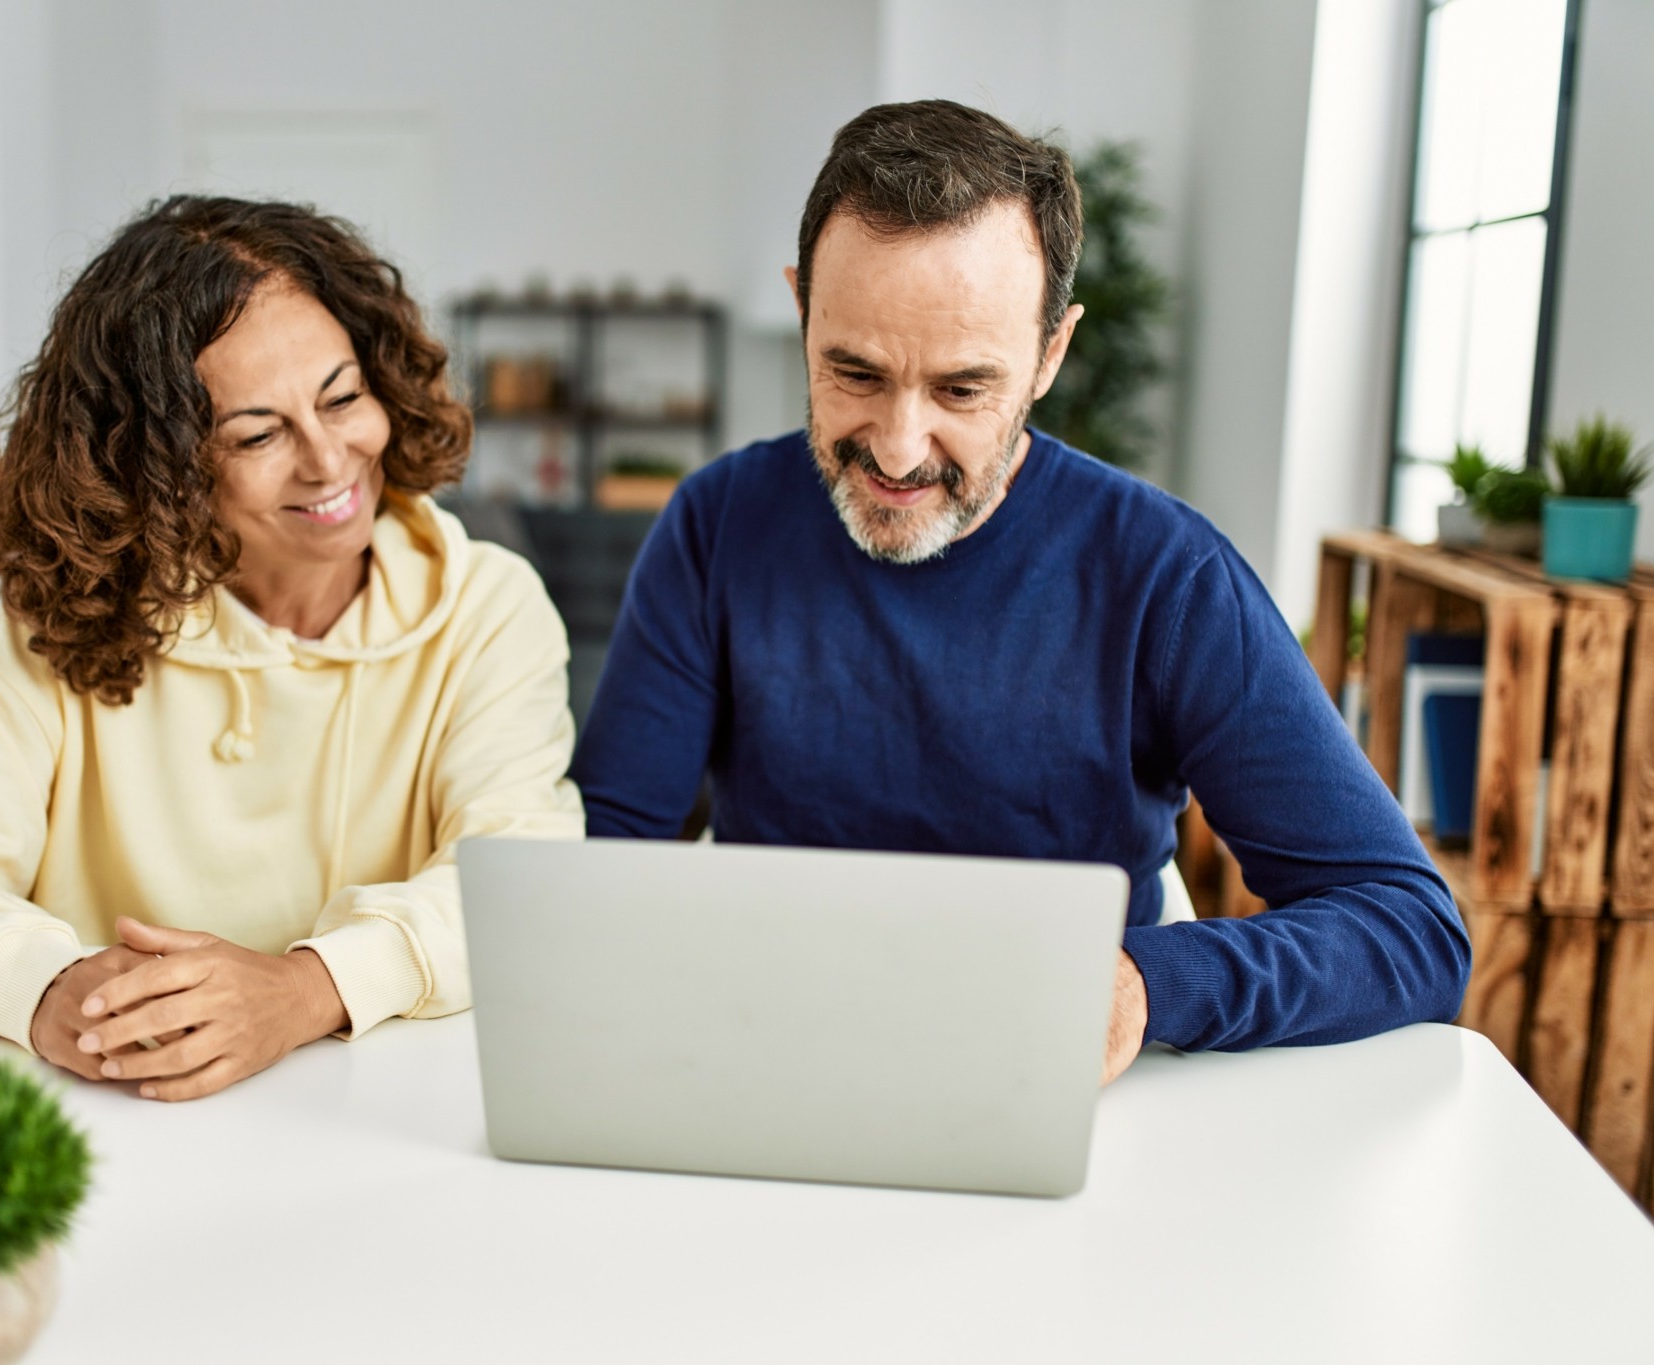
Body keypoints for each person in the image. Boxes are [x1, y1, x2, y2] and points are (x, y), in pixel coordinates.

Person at [571, 100, 1469, 1082]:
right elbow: (599, 863)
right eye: (853, 372)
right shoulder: (717, 525)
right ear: (801, 311)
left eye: (960, 390)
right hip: (764, 1058)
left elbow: (1408, 930)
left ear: (1049, 354)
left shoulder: (1167, 578)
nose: (898, 448)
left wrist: (1141, 986)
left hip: (1052, 1092)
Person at [0, 196, 582, 1101]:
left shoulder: (486, 610)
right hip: (108, 1119)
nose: (329, 459)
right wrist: (47, 991)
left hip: (375, 1113)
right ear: (157, 465)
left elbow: (518, 885)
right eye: (258, 433)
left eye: (343, 397)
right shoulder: (68, 620)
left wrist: (305, 989)